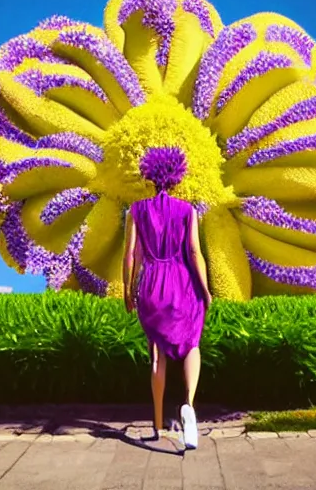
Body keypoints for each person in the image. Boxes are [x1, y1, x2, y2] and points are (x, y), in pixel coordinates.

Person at [122, 147, 212, 450]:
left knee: (157, 354)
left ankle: (158, 423)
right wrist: (206, 288)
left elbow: (131, 254)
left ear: (150, 177)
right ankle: (188, 404)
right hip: (183, 283)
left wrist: (127, 289)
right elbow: (195, 253)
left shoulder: (136, 210)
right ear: (176, 177)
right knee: (191, 344)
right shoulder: (188, 210)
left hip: (151, 285)